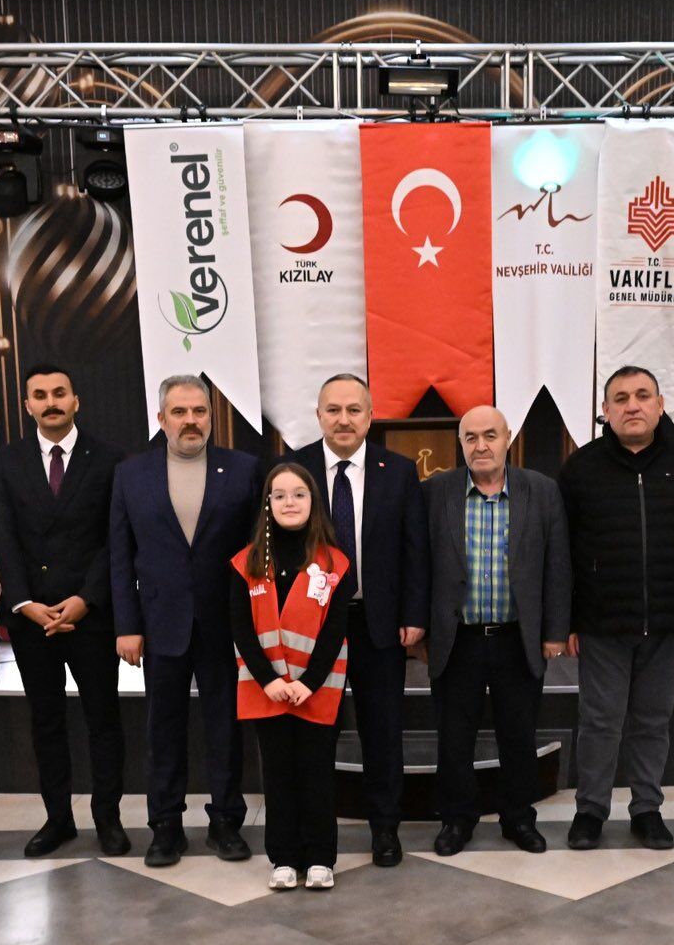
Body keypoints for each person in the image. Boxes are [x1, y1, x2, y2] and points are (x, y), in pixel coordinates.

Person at [558, 366, 674, 850]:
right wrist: (567, 620)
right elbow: (562, 551)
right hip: (601, 624)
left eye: (642, 395)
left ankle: (647, 809)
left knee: (653, 720)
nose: (632, 405)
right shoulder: (580, 469)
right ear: (605, 411)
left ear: (660, 404)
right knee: (600, 721)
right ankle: (590, 810)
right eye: (620, 398)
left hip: (669, 622)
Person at [110, 375, 260, 867]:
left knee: (226, 727)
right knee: (163, 729)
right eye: (179, 412)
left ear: (211, 417)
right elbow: (120, 556)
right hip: (160, 624)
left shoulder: (244, 470)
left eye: (199, 411)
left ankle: (226, 822)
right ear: (161, 419)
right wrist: (127, 625)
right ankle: (165, 826)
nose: (190, 420)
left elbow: (258, 551)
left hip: (226, 623)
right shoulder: (131, 474)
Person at [286, 373, 428, 867]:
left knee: (382, 732)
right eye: (333, 410)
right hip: (312, 627)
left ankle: (385, 830)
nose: (343, 419)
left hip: (378, 624)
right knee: (314, 735)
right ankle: (313, 835)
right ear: (318, 415)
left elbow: (415, 548)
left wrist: (414, 613)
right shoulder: (292, 469)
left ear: (370, 417)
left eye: (353, 410)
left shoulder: (399, 471)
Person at [0, 363, 130, 858]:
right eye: (40, 395)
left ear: (76, 401)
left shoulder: (110, 459)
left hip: (90, 614)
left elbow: (115, 539)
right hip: (32, 619)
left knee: (103, 720)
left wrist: (85, 599)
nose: (50, 402)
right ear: (27, 404)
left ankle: (108, 818)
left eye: (59, 393)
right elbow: (3, 537)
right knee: (46, 722)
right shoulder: (8, 462)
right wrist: (25, 602)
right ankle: (58, 819)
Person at [422, 405, 571, 856]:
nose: (481, 445)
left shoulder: (541, 491)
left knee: (518, 736)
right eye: (471, 437)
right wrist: (422, 630)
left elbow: (557, 565)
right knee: (454, 738)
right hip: (457, 638)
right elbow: (419, 564)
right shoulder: (435, 492)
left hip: (517, 637)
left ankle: (519, 819)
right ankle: (456, 819)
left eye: (490, 435)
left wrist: (555, 631)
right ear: (460, 443)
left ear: (508, 438)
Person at [231, 461, 356, 891]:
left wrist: (308, 682)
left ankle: (321, 858)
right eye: (280, 495)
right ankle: (283, 858)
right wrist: (270, 681)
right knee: (278, 775)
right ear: (267, 503)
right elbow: (241, 629)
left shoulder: (336, 563)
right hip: (266, 689)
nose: (289, 502)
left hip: (315, 690)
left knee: (317, 774)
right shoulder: (245, 563)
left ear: (312, 502)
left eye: (299, 494)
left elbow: (336, 630)